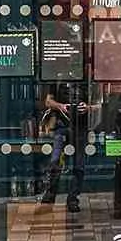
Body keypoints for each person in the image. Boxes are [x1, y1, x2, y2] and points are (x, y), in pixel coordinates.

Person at [38, 81, 88, 212]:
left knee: (79, 165)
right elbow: (48, 101)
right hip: (61, 126)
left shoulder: (86, 81)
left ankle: (72, 199)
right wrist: (61, 106)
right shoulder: (57, 79)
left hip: (80, 127)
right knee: (55, 161)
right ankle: (50, 194)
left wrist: (87, 107)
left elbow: (98, 104)